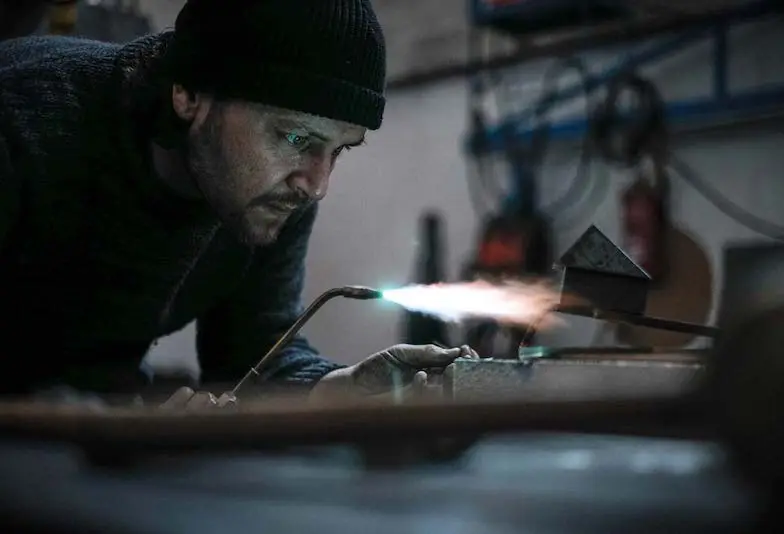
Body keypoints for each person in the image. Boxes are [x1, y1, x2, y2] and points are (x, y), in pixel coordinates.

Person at [0, 0, 475, 403]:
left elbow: (253, 354)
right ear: (188, 93)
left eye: (339, 149)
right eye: (293, 136)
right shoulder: (25, 127)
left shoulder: (266, 196)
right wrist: (64, 420)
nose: (315, 185)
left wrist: (342, 390)